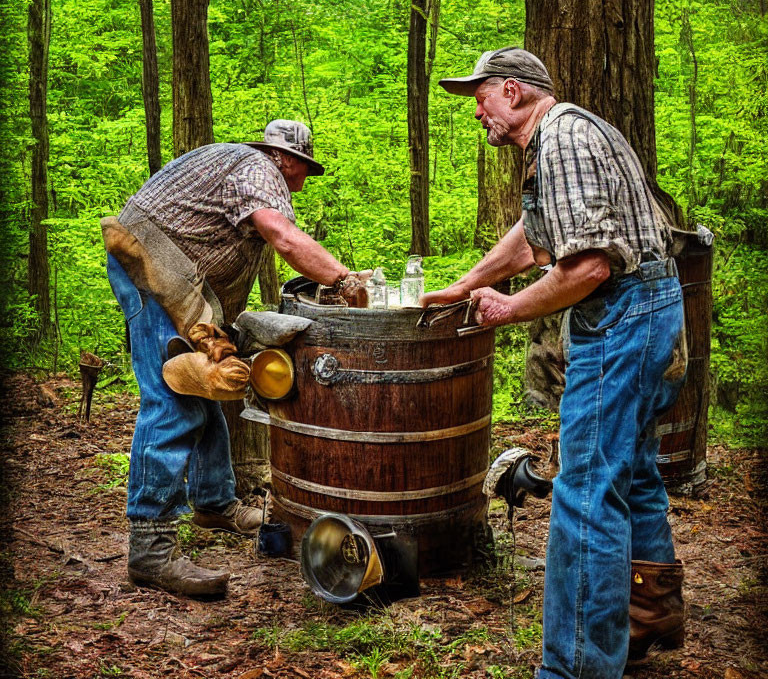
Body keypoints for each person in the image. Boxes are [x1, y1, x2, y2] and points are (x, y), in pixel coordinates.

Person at [422, 48, 688, 679]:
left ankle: (575, 667)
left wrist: (506, 310)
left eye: (480, 96)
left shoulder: (560, 139)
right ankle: (650, 612)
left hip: (623, 318)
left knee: (587, 493)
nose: (477, 112)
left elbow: (590, 265)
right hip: (653, 310)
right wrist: (467, 284)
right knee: (635, 472)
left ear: (512, 90)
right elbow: (534, 231)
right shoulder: (569, 132)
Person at [102, 120, 365, 597]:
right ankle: (150, 547)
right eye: (304, 169)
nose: (304, 181)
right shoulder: (258, 167)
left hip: (179, 280)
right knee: (172, 396)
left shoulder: (241, 170)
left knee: (209, 385)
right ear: (287, 159)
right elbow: (282, 236)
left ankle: (213, 501)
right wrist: (343, 279)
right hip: (151, 268)